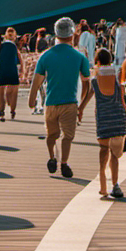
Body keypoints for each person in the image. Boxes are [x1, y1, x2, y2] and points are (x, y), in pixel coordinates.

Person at [29, 16, 91, 177]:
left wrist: (31, 100)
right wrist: (82, 105)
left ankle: (51, 157)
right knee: (67, 136)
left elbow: (36, 81)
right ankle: (64, 163)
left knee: (51, 135)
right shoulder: (79, 57)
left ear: (56, 34)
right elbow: (87, 84)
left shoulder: (46, 56)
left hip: (50, 103)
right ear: (72, 35)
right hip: (70, 103)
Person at [77, 48, 126, 197]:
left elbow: (87, 96)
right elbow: (123, 99)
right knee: (114, 155)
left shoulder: (95, 80)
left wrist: (80, 110)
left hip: (103, 119)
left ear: (98, 62)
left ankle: (103, 188)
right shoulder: (116, 78)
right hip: (117, 119)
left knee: (103, 152)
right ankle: (115, 185)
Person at [0, 27, 22, 121]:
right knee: (13, 94)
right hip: (13, 72)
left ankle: (1, 112)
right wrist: (22, 72)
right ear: (15, 37)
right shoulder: (14, 47)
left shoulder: (0, 46)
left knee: (0, 94)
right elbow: (21, 60)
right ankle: (12, 111)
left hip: (2, 72)